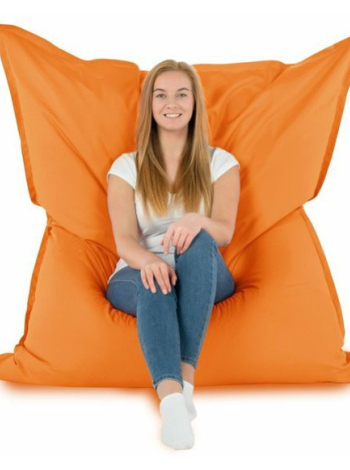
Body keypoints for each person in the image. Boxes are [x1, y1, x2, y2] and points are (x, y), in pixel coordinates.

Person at [105, 60, 240, 450]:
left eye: (182, 94)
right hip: (140, 268)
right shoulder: (126, 168)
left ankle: (186, 382)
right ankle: (173, 404)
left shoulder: (221, 163)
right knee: (154, 280)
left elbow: (225, 231)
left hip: (202, 272)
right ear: (149, 105)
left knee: (199, 239)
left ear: (195, 102)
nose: (172, 104)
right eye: (161, 95)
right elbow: (125, 241)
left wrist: (197, 220)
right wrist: (149, 261)